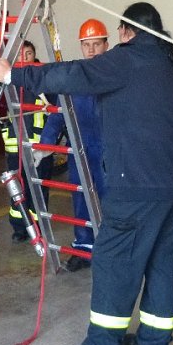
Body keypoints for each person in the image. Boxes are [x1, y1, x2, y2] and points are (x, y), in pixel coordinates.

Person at [0, 2, 173, 345]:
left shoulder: (127, 58)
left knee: (114, 260)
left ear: (125, 32)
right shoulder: (169, 63)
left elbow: (74, 74)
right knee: (163, 259)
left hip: (139, 184)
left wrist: (12, 75)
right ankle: (155, 343)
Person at [37, 19, 108, 272]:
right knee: (81, 199)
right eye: (86, 45)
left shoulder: (114, 74)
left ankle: (110, 251)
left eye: (96, 44)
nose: (91, 50)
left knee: (110, 200)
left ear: (106, 44)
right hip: (80, 150)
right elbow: (59, 114)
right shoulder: (73, 76)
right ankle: (83, 249)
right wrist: (46, 143)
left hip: (109, 152)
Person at [0, 40, 54, 244]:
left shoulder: (44, 78)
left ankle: (39, 227)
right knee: (17, 188)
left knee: (39, 188)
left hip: (40, 147)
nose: (25, 58)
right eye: (21, 55)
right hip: (15, 146)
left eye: (29, 53)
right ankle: (20, 227)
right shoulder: (9, 79)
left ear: (35, 55)